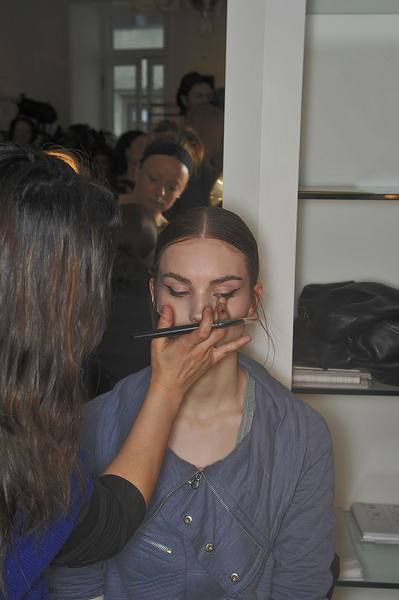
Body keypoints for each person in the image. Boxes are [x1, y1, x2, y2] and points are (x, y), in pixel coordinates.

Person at [0, 146, 249, 600]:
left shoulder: (35, 427)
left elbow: (95, 526)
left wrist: (167, 388)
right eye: (177, 288)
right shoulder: (91, 416)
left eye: (226, 291)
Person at [49, 206, 335, 599]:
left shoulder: (302, 436)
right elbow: (75, 584)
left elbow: (301, 585)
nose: (202, 315)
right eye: (179, 291)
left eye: (225, 294)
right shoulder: (95, 424)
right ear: (153, 293)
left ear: (253, 301)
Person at [120, 122, 203, 227]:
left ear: (182, 190)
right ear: (137, 171)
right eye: (153, 179)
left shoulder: (170, 238)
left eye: (172, 187)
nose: (160, 192)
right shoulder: (101, 212)